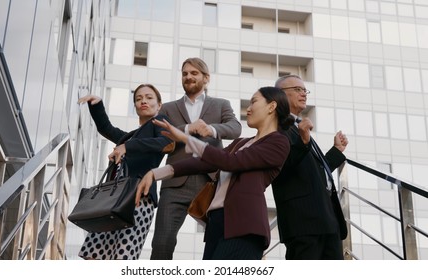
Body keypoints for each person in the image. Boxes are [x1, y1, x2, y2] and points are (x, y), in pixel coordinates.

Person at [136, 86, 294, 260]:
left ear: (271, 107)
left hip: (244, 225)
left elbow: (231, 162)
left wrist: (185, 138)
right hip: (217, 223)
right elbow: (207, 162)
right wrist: (156, 173)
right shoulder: (241, 143)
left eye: (253, 102)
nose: (248, 109)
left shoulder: (279, 142)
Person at [150, 57, 242, 259]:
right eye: (185, 73)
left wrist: (211, 129)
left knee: (220, 239)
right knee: (161, 243)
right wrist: (186, 129)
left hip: (209, 182)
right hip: (174, 183)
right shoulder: (168, 108)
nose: (188, 77)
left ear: (206, 78)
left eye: (194, 73)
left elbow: (236, 128)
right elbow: (156, 134)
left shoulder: (220, 105)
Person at [76, 84, 175, 260]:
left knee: (123, 256)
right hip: (112, 200)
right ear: (135, 106)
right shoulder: (130, 136)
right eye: (138, 99)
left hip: (138, 199)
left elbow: (163, 142)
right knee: (94, 257)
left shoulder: (159, 123)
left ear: (159, 105)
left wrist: (126, 147)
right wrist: (97, 105)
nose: (143, 101)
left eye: (149, 97)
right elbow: (107, 129)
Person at [271, 74, 349, 260]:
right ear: (280, 95)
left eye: (304, 90)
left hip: (327, 220)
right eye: (297, 90)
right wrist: (303, 142)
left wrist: (337, 150)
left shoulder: (300, 127)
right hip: (302, 222)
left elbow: (315, 172)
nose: (303, 94)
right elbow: (279, 167)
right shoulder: (276, 126)